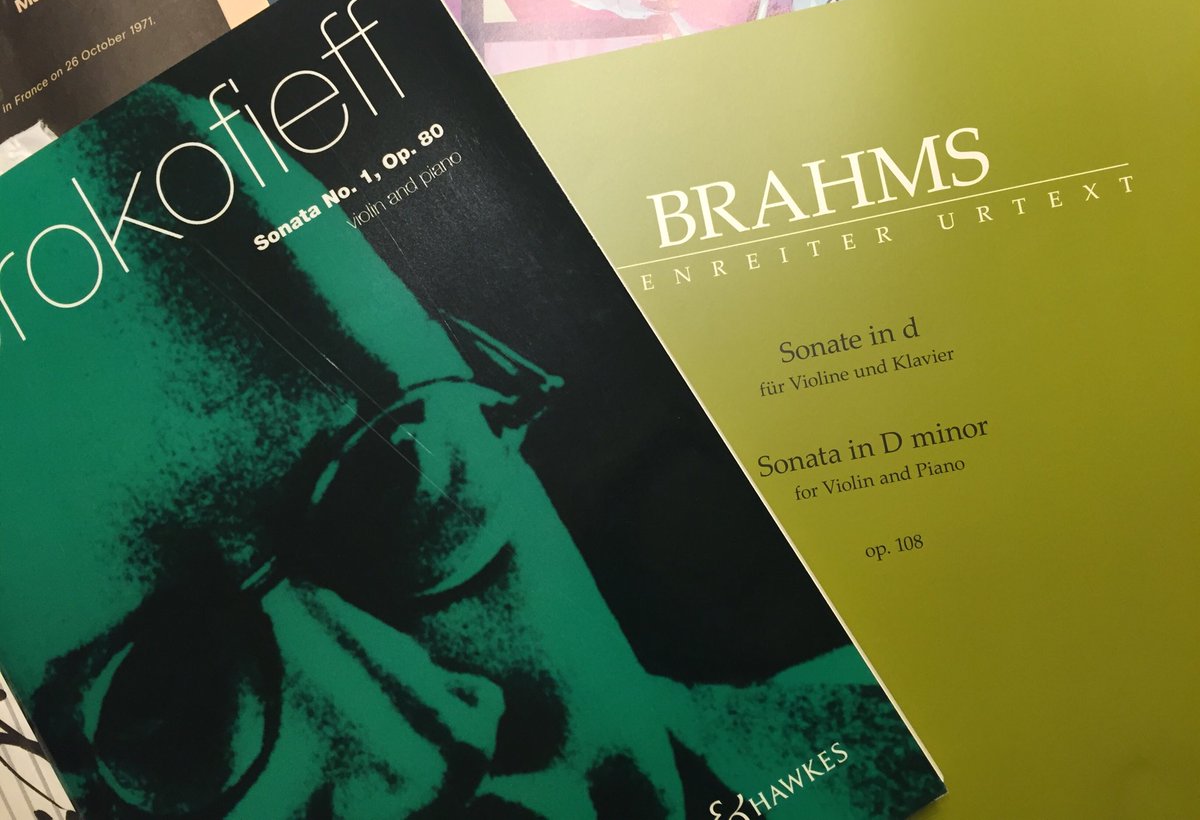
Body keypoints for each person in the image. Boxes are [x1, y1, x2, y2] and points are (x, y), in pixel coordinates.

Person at [0, 84, 937, 818]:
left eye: (392, 494)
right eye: (166, 712)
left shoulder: (931, 724)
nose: (421, 756)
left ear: (504, 390)